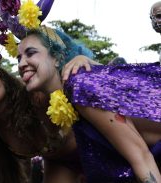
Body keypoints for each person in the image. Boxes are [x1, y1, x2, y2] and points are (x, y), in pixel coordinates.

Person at [17, 27, 161, 182]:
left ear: (57, 58)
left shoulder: (80, 85)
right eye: (18, 58)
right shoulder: (60, 103)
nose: (21, 64)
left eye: (30, 53)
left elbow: (141, 157)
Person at [0, 37, 97, 183]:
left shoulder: (35, 95)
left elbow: (60, 75)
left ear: (1, 77)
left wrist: (79, 59)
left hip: (94, 151)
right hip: (60, 165)